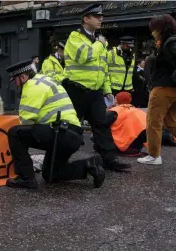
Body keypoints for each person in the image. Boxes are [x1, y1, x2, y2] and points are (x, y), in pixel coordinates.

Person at [5, 59, 105, 189]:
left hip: (60, 133)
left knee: (15, 133)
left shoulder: (31, 86)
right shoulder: (45, 80)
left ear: (23, 76)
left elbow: (26, 122)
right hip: (72, 135)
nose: (16, 84)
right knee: (50, 174)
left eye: (16, 80)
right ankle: (90, 165)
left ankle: (26, 178)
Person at [61, 3, 130, 171]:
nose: (101, 19)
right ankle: (58, 159)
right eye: (97, 16)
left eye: (101, 17)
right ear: (86, 18)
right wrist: (100, 44)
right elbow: (85, 56)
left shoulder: (98, 41)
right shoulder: (75, 37)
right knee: (70, 126)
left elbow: (103, 69)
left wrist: (106, 90)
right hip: (77, 90)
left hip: (95, 92)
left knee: (101, 125)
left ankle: (109, 160)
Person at [138, 14, 176, 165]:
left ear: (159, 29)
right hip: (171, 89)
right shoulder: (170, 41)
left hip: (162, 89)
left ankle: (154, 155)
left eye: (153, 29)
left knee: (153, 121)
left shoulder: (169, 42)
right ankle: (154, 155)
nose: (152, 32)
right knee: (171, 123)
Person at [93, 92, 176, 156]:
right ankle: (169, 136)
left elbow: (101, 124)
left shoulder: (115, 110)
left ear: (116, 100)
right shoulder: (138, 111)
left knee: (94, 138)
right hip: (142, 140)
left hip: (124, 142)